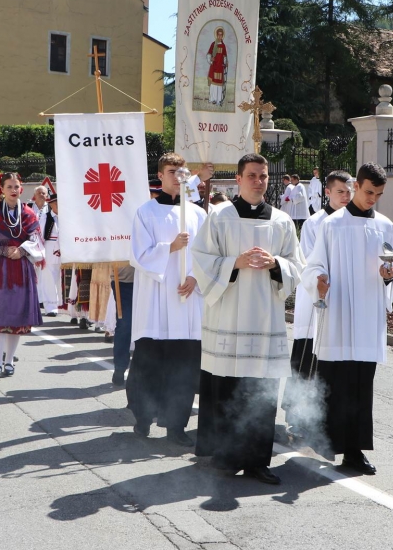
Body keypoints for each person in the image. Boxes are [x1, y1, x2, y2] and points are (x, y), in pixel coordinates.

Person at [191, 153, 305, 485]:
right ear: (238, 179)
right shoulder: (219, 217)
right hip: (228, 316)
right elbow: (200, 259)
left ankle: (257, 461)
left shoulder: (282, 221)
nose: (258, 181)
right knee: (228, 387)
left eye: (263, 176)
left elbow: (297, 265)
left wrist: (276, 265)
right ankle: (226, 458)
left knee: (261, 391)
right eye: (252, 175)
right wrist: (233, 263)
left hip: (265, 319)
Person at [301, 163, 393, 476]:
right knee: (337, 383)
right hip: (338, 314)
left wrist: (389, 276)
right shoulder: (332, 225)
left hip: (367, 318)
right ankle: (328, 442)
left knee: (361, 384)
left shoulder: (385, 227)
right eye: (369, 191)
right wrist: (319, 279)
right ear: (356, 186)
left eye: (379, 194)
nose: (373, 198)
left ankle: (354, 452)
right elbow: (313, 265)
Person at [127, 153, 207, 446]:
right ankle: (143, 418)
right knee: (149, 363)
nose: (177, 176)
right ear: (160, 175)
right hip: (156, 300)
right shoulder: (145, 212)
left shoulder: (197, 213)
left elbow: (208, 254)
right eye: (172, 171)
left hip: (186, 301)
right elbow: (138, 255)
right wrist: (170, 247)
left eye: (182, 171)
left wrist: (196, 277)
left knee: (183, 368)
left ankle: (176, 426)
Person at [285, 170, 353, 440]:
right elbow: (309, 261)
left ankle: (326, 418)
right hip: (317, 301)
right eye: (340, 192)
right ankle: (297, 416)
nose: (346, 196)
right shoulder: (315, 223)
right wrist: (324, 280)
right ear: (328, 192)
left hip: (342, 302)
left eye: (349, 192)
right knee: (307, 360)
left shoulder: (354, 222)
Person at [0, 173, 44, 378]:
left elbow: (37, 240)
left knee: (16, 317)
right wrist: (2, 250)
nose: (13, 190)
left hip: (21, 269)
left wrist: (22, 250)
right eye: (9, 187)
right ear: (2, 190)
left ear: (21, 188)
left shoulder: (29, 213)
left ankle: (9, 360)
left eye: (16, 186)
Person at [36, 193, 61, 316]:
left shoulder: (67, 217)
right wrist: (39, 253)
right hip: (49, 248)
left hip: (63, 248)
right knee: (49, 277)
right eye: (56, 204)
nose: (59, 206)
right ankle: (51, 306)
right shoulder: (45, 217)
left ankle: (62, 305)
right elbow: (39, 235)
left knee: (61, 278)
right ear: (51, 204)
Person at [207, 27, 228, 106]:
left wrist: (225, 63)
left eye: (221, 35)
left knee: (219, 84)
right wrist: (211, 59)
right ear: (216, 35)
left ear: (222, 36)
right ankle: (213, 99)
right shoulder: (213, 44)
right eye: (218, 35)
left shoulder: (223, 46)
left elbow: (224, 56)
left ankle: (219, 100)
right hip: (214, 66)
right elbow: (209, 54)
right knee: (213, 83)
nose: (219, 36)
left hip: (220, 67)